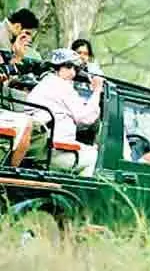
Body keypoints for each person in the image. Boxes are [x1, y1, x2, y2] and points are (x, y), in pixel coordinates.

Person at [25, 48, 103, 176]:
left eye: (75, 68)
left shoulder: (44, 84)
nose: (72, 72)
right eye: (68, 66)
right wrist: (97, 90)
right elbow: (86, 118)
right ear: (56, 67)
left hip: (41, 148)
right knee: (96, 158)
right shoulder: (61, 86)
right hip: (52, 152)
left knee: (89, 149)